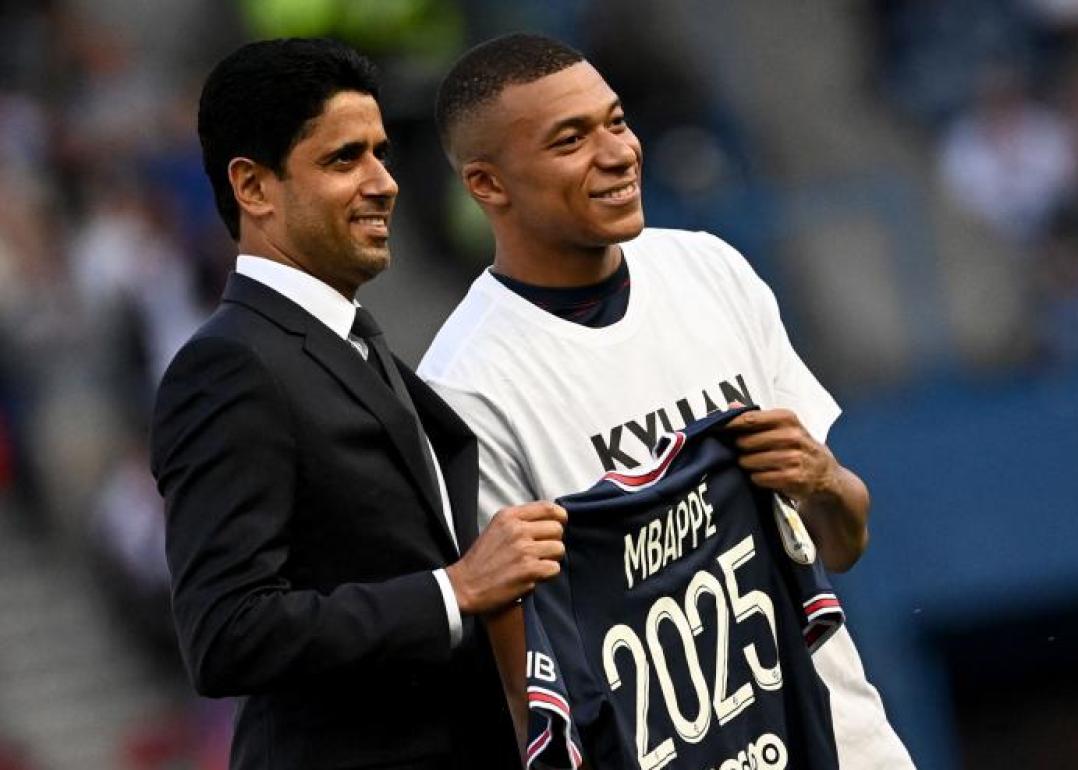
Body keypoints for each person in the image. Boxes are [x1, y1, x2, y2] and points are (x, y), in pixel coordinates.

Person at [418, 33, 915, 769]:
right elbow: (530, 690)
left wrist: (823, 481)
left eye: (616, 121)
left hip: (847, 746)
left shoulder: (710, 270)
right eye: (570, 139)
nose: (618, 152)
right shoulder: (464, 385)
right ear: (488, 185)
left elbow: (844, 540)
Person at [150, 38, 566, 770]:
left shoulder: (354, 344)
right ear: (253, 187)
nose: (385, 181)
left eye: (381, 151)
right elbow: (226, 632)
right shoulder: (230, 366)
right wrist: (454, 589)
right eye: (345, 159)